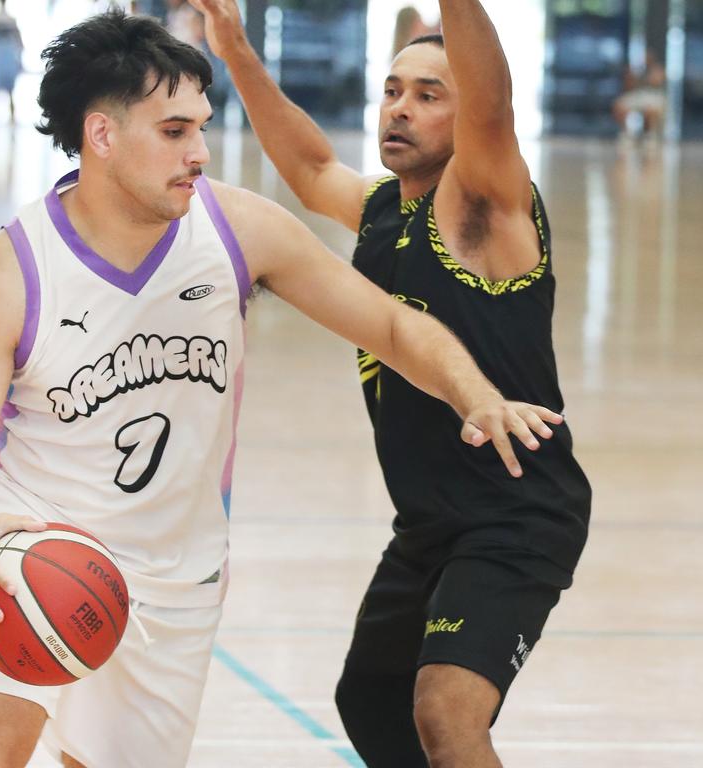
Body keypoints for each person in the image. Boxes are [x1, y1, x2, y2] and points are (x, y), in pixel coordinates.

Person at [0, 10, 566, 768]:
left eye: (202, 127)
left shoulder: (237, 230)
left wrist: (471, 392)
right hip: (29, 557)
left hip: (173, 582)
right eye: (175, 131)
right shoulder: (12, 275)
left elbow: (390, 327)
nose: (201, 151)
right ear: (102, 136)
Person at [189, 1, 592, 766]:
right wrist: (236, 48)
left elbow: (494, 101)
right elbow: (309, 169)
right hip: (430, 520)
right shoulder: (383, 208)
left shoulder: (485, 204)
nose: (400, 108)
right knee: (371, 698)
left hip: (515, 509)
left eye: (429, 95)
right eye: (392, 90)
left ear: (467, 115)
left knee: (445, 710)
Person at [612, 51, 666, 143]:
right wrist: (632, 76)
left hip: (653, 95)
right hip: (637, 94)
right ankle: (627, 133)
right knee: (619, 105)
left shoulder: (657, 70)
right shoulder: (635, 70)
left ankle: (650, 135)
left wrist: (648, 78)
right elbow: (628, 86)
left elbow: (657, 83)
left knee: (651, 109)